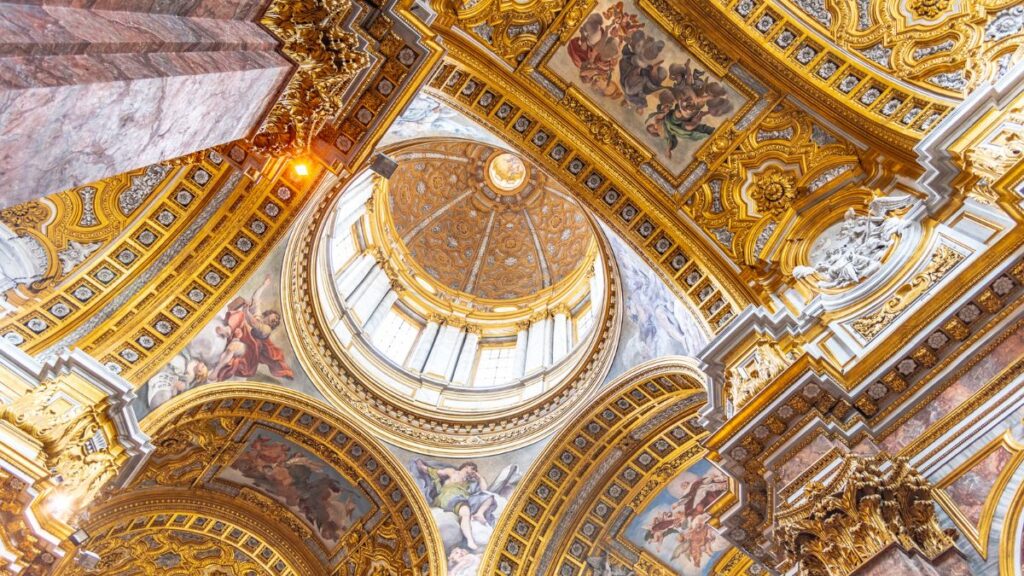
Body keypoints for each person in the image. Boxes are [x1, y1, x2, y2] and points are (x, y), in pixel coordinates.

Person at [415, 460, 496, 550]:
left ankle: (479, 514)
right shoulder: (452, 472)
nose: (474, 472)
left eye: (476, 471)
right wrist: (421, 466)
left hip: (464, 499)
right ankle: (470, 540)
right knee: (465, 511)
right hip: (449, 496)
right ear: (466, 466)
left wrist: (479, 477)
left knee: (489, 497)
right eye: (473, 469)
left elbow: (484, 489)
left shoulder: (470, 482)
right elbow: (434, 472)